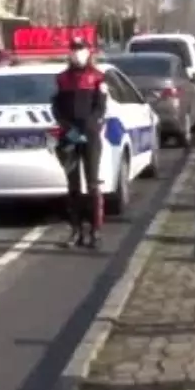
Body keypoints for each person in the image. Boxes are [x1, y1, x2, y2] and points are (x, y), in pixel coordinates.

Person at [51, 37, 108, 248]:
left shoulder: (98, 78)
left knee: (93, 183)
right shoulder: (62, 79)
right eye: (74, 49)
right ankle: (76, 231)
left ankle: (95, 230)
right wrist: (69, 129)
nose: (77, 53)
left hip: (91, 137)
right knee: (73, 186)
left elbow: (100, 108)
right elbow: (56, 108)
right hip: (69, 137)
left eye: (81, 49)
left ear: (88, 51)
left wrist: (87, 128)